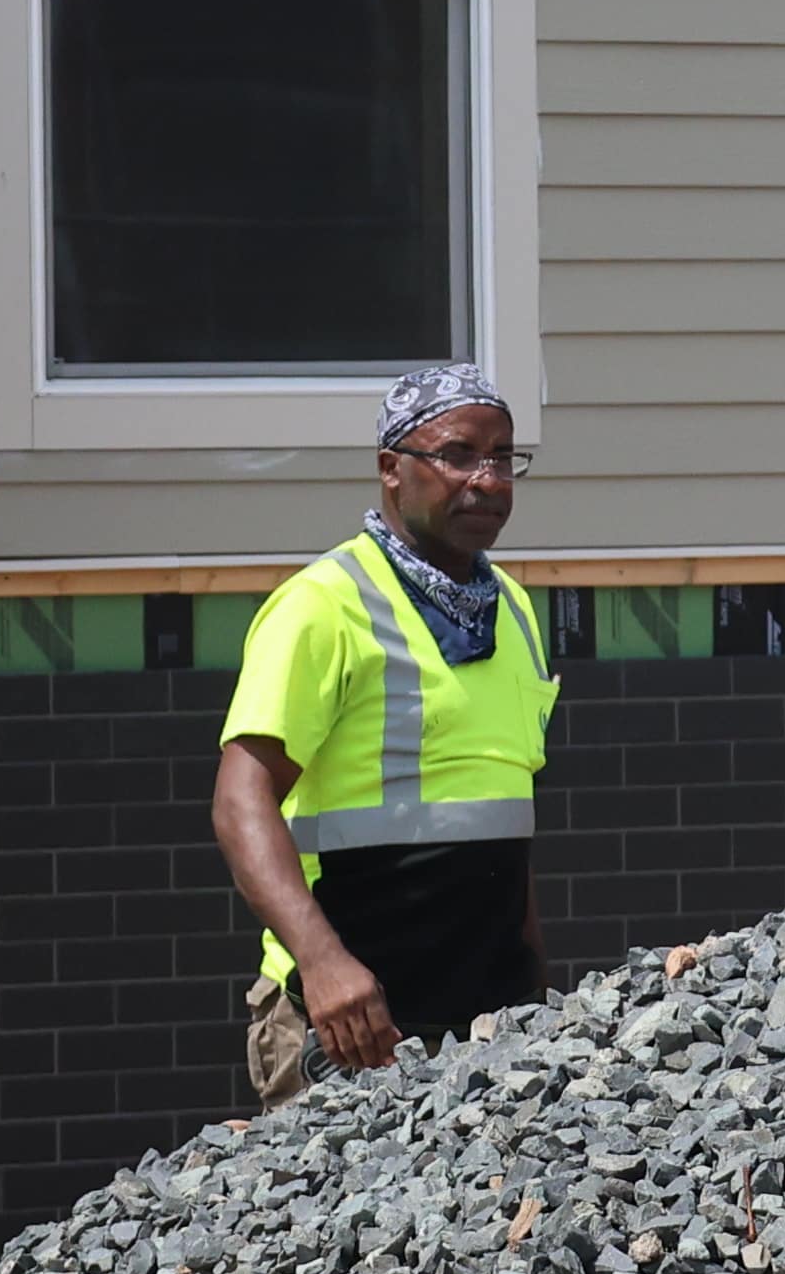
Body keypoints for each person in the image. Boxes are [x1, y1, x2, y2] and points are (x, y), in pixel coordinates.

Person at [214, 365, 560, 1105]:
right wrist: (323, 964)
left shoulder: (518, 614)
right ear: (390, 470)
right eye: (459, 454)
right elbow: (241, 800)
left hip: (488, 1027)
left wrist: (535, 980)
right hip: (351, 1028)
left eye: (503, 458)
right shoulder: (323, 606)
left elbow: (502, 812)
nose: (488, 480)